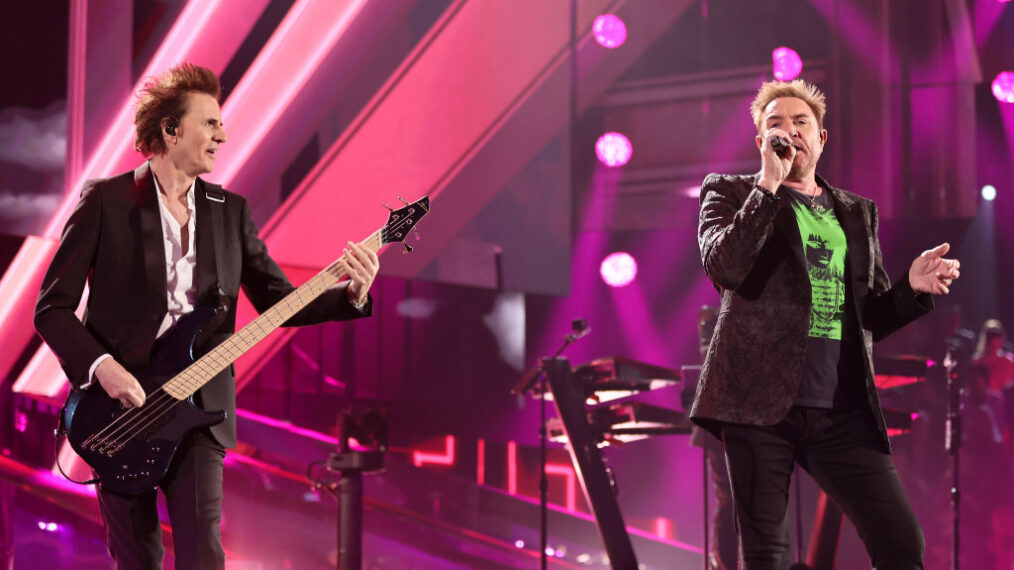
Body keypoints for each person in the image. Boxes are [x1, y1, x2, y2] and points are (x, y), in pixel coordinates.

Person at [33, 63, 379, 570]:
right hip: (119, 414)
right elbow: (52, 310)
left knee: (204, 558)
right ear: (171, 131)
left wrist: (351, 295)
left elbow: (279, 301)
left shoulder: (230, 211)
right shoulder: (106, 202)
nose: (224, 134)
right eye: (210, 124)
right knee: (138, 561)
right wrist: (104, 369)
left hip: (199, 411)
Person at [689, 79, 961, 570]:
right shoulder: (728, 192)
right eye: (775, 124)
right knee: (765, 555)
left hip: (840, 406)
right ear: (760, 142)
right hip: (757, 404)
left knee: (901, 543)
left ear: (822, 137)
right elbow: (725, 267)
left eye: (800, 122)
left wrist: (912, 288)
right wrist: (768, 185)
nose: (789, 131)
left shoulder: (857, 213)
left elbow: (871, 314)